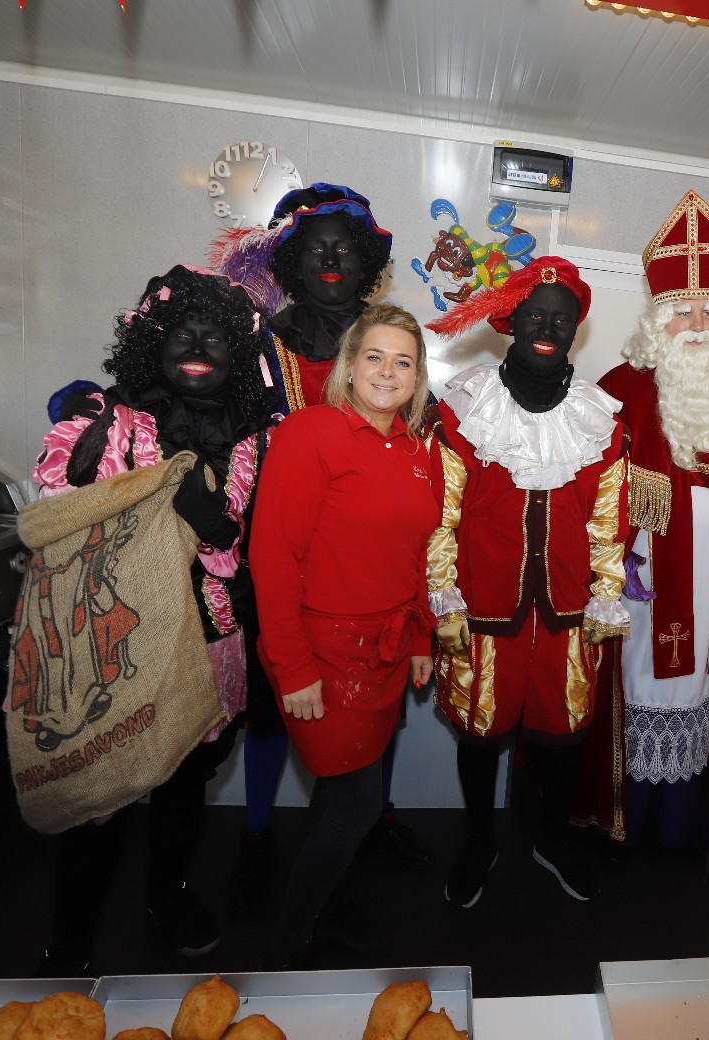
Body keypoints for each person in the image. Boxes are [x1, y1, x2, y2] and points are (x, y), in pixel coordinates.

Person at [30, 264, 276, 973]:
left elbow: (259, 543)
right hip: (115, 644)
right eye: (182, 331)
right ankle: (70, 937)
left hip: (207, 637)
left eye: (216, 336)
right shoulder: (101, 423)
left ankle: (167, 896)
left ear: (239, 354)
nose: (198, 346)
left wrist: (218, 529)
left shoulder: (254, 438)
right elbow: (57, 526)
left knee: (184, 781)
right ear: (152, 342)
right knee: (100, 797)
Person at [209, 183, 430, 908]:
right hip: (269, 551)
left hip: (362, 568)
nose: (331, 258)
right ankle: (257, 833)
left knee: (377, 704)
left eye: (345, 247)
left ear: (366, 261)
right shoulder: (256, 343)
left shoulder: (385, 344)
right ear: (291, 260)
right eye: (315, 247)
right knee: (274, 703)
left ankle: (368, 818)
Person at [575, 190, 709, 849]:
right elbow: (587, 490)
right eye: (681, 311)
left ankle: (677, 826)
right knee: (643, 689)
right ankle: (625, 818)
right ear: (657, 320)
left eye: (707, 310)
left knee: (700, 689)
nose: (696, 323)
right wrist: (617, 560)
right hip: (646, 585)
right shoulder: (620, 389)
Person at [423, 257, 630, 907]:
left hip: (569, 608)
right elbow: (441, 513)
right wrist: (444, 596)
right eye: (536, 315)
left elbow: (609, 518)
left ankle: (554, 839)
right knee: (482, 733)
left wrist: (606, 592)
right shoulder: (465, 407)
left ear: (576, 329)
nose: (548, 328)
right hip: (483, 606)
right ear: (511, 321)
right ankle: (480, 839)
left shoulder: (601, 418)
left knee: (564, 733)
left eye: (561, 319)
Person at [248, 302, 439, 968]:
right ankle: (291, 939)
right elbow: (273, 556)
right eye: (374, 357)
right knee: (356, 805)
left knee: (338, 794)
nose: (388, 372)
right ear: (350, 366)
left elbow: (416, 556)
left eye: (403, 361)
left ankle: (325, 901)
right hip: (321, 655)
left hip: (385, 653)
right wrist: (292, 667)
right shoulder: (311, 432)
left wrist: (421, 639)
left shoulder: (417, 452)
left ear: (417, 377)